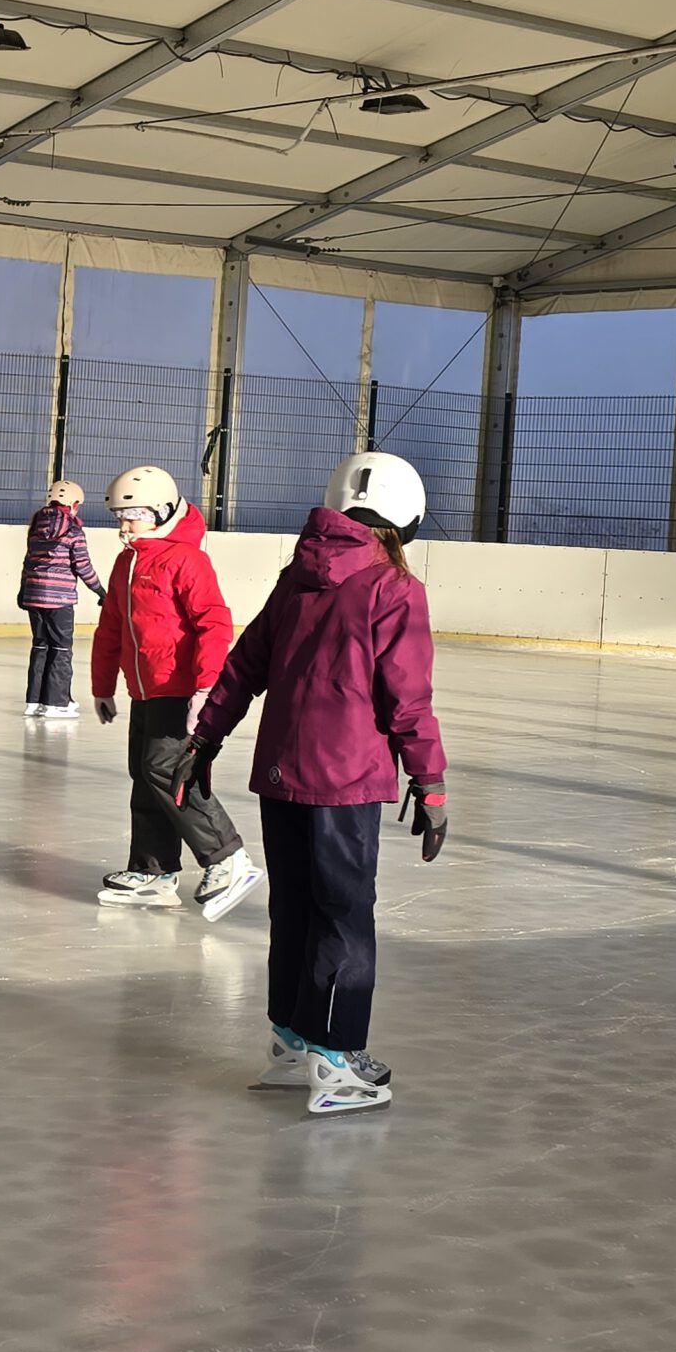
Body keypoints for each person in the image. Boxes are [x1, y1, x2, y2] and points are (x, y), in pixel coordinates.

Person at [171, 453, 445, 1117]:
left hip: (282, 774)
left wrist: (206, 737)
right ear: (404, 519)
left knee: (295, 907)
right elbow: (406, 698)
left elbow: (244, 665)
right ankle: (336, 1057)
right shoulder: (393, 588)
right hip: (345, 779)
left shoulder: (299, 576)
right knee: (344, 915)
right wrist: (429, 782)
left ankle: (293, 1044)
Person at [87, 465, 260, 920]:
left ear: (162, 511)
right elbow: (111, 629)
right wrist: (103, 686)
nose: (125, 524)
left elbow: (213, 623)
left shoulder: (186, 560)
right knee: (143, 775)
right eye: (120, 516)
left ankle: (228, 858)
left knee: (168, 770)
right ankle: (154, 872)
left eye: (136, 514)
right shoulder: (128, 561)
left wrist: (205, 687)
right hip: (145, 689)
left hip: (179, 689)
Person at [19, 479, 105, 720]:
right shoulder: (74, 530)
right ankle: (57, 703)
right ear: (74, 504)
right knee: (61, 648)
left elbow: (28, 561)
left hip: (34, 595)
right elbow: (83, 566)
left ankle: (34, 701)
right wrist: (100, 591)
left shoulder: (36, 526)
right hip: (60, 598)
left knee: (40, 646)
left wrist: (22, 590)